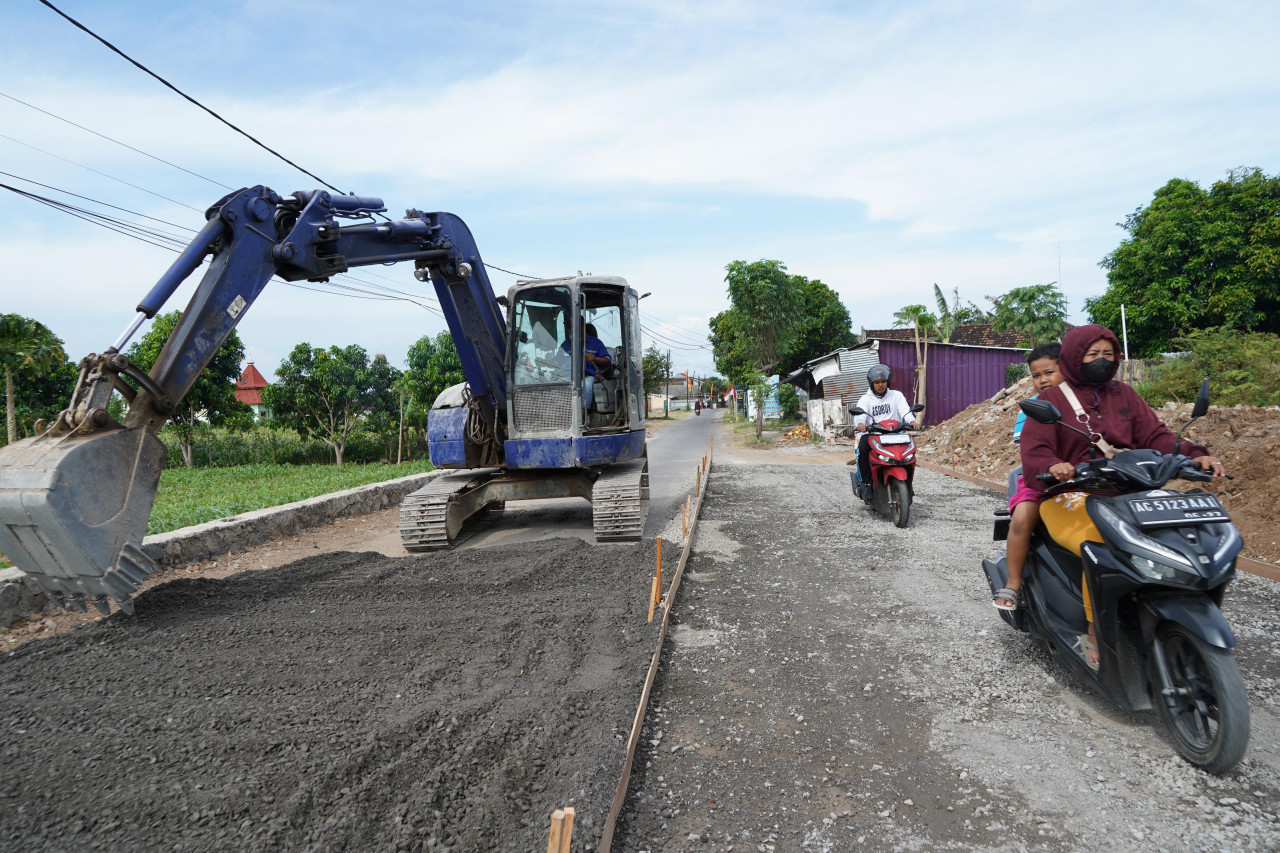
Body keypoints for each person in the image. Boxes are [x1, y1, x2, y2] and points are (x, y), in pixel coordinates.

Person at [1019, 324, 1225, 669]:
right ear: (1074, 356)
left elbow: (1156, 437)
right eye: (1092, 354)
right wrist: (1055, 465)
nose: (1102, 360)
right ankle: (1095, 627)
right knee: (1100, 542)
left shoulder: (1124, 395)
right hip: (1069, 494)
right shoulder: (1051, 400)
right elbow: (1035, 451)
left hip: (1128, 489)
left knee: (1181, 534)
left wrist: (1193, 454)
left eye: (1108, 354)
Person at [992, 342, 1063, 612]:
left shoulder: (1082, 402)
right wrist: (1053, 464)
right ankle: (1013, 582)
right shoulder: (1031, 408)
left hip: (1084, 479)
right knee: (1022, 518)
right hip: (1041, 478)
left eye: (1050, 372)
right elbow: (1029, 447)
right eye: (1036, 375)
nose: (1043, 380)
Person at [852, 364, 917, 501]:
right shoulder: (866, 399)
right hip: (874, 436)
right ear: (872, 383)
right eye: (877, 382)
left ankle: (908, 485)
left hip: (895, 435)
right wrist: (860, 424)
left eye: (883, 381)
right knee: (863, 446)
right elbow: (860, 415)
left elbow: (905, 411)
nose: (880, 385)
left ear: (888, 381)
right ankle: (867, 484)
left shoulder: (896, 396)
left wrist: (911, 421)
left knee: (910, 449)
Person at [561, 319, 611, 419]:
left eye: (574, 326)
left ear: (583, 326)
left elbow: (607, 360)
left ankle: (582, 415)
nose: (571, 329)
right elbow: (556, 361)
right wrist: (543, 360)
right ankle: (562, 414)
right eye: (569, 327)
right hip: (569, 376)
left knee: (586, 385)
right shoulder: (565, 345)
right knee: (559, 385)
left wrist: (595, 358)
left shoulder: (596, 343)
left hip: (589, 375)